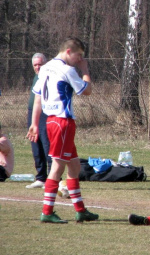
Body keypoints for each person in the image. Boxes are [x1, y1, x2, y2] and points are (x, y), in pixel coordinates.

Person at [27, 37, 98, 223]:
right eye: (78, 55)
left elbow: (37, 98)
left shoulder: (45, 68)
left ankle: (81, 210)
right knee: (57, 167)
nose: (79, 59)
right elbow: (87, 91)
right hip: (62, 122)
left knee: (74, 166)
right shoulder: (67, 70)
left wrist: (34, 123)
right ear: (68, 51)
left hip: (51, 121)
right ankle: (47, 212)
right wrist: (85, 71)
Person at [26, 53, 52, 189]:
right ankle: (41, 177)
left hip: (45, 113)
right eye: (35, 65)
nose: (38, 67)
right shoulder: (37, 76)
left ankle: (53, 178)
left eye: (40, 64)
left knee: (47, 145)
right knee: (35, 145)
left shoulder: (49, 75)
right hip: (32, 112)